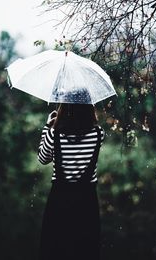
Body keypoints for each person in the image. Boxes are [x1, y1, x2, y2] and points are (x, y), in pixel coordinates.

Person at [37, 103, 105, 260]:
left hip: (59, 201)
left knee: (55, 249)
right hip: (87, 202)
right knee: (85, 249)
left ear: (64, 109)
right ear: (89, 108)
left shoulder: (54, 134)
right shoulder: (98, 133)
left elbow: (42, 159)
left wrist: (48, 127)